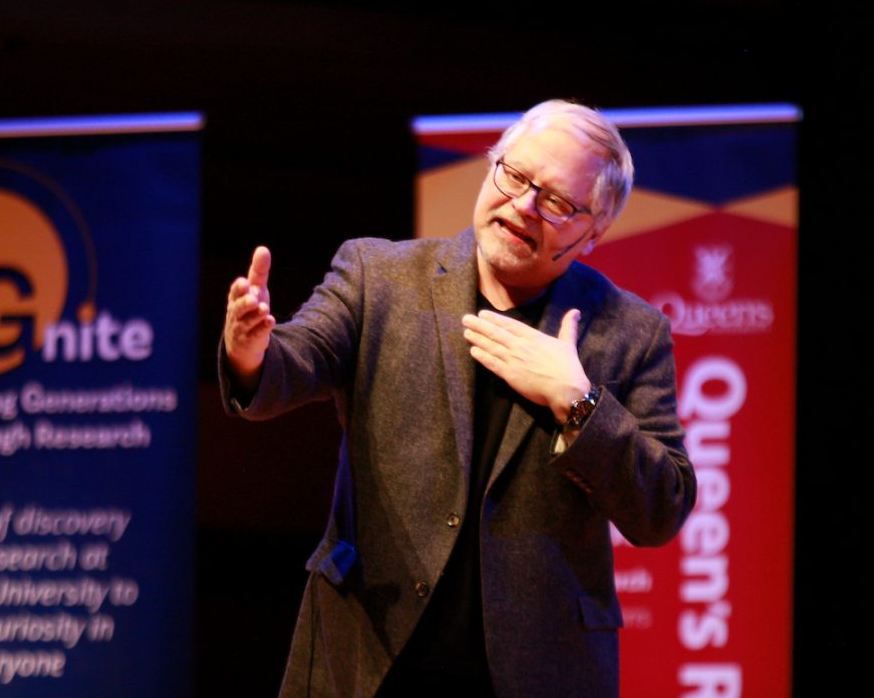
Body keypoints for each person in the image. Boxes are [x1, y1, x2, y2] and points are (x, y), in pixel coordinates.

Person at [220, 99, 697, 698]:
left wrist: (579, 404)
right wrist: (251, 353)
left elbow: (662, 509)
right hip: (368, 653)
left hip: (535, 670)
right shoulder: (380, 276)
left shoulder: (630, 332)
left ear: (595, 231)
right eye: (515, 175)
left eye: (556, 201)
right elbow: (295, 361)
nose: (523, 205)